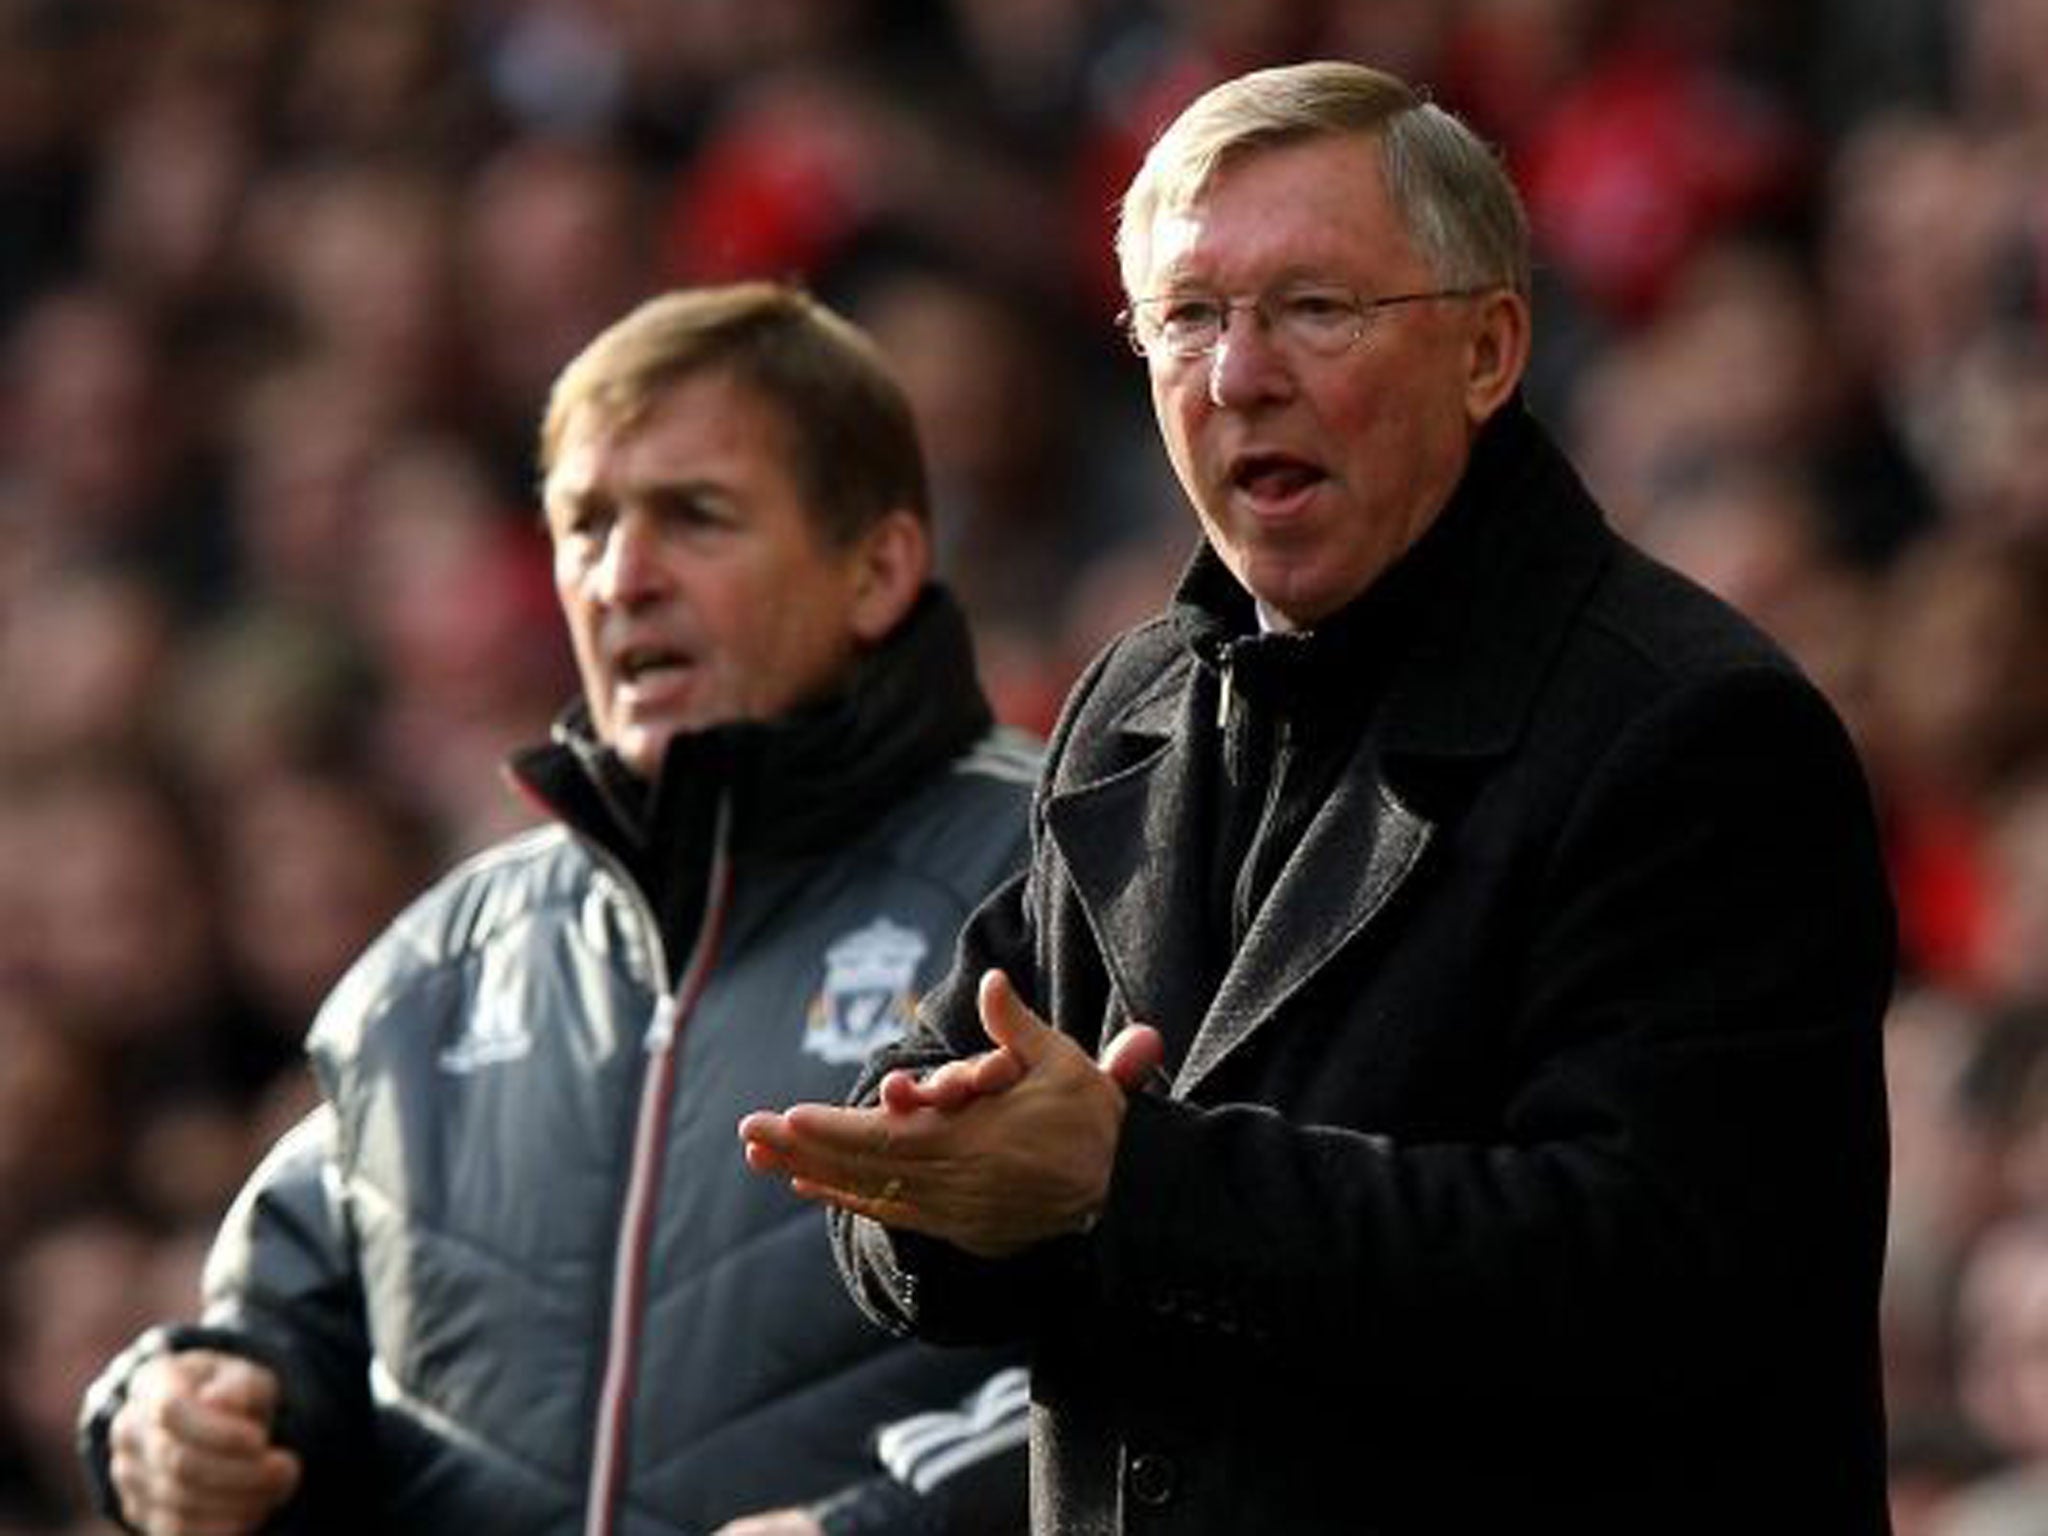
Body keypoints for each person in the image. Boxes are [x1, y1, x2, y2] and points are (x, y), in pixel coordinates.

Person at [739, 61, 1896, 1532]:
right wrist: (923, 1189)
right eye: (1190, 318)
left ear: (1488, 352)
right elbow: (955, 1116)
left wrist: (1127, 1187)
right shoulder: (1128, 707)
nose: (1239, 375)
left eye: (1314, 308)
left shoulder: (1695, 731)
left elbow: (1662, 1278)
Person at [77, 283, 1039, 1536]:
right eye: (585, 527)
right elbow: (270, 1334)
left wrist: (896, 1528)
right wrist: (169, 1417)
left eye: (694, 517)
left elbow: (1197, 1335)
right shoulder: (439, 967)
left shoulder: (1062, 878)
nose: (622, 576)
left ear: (877, 570)